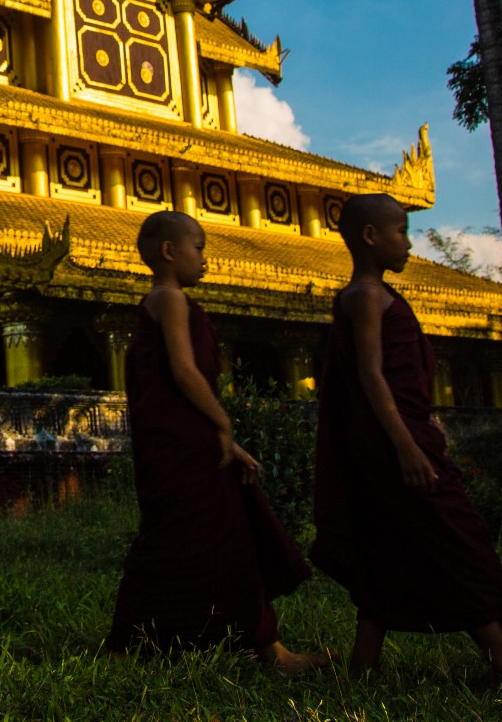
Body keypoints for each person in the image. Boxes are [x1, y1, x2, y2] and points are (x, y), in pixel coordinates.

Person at [311, 193, 502, 681]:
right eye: (400, 232)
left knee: (389, 546)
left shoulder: (374, 295)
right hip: (392, 441)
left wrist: (423, 428)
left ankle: (364, 665)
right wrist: (406, 444)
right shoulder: (366, 296)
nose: (408, 244)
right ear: (370, 237)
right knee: (458, 539)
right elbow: (372, 376)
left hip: (398, 433)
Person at [105, 211, 315, 668]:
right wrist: (224, 424)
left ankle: (265, 645)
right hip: (181, 447)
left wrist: (226, 442)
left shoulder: (160, 300)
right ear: (168, 251)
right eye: (198, 248)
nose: (205, 259)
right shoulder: (171, 300)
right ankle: (127, 645)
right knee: (182, 541)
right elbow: (183, 371)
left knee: (217, 540)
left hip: (180, 443)